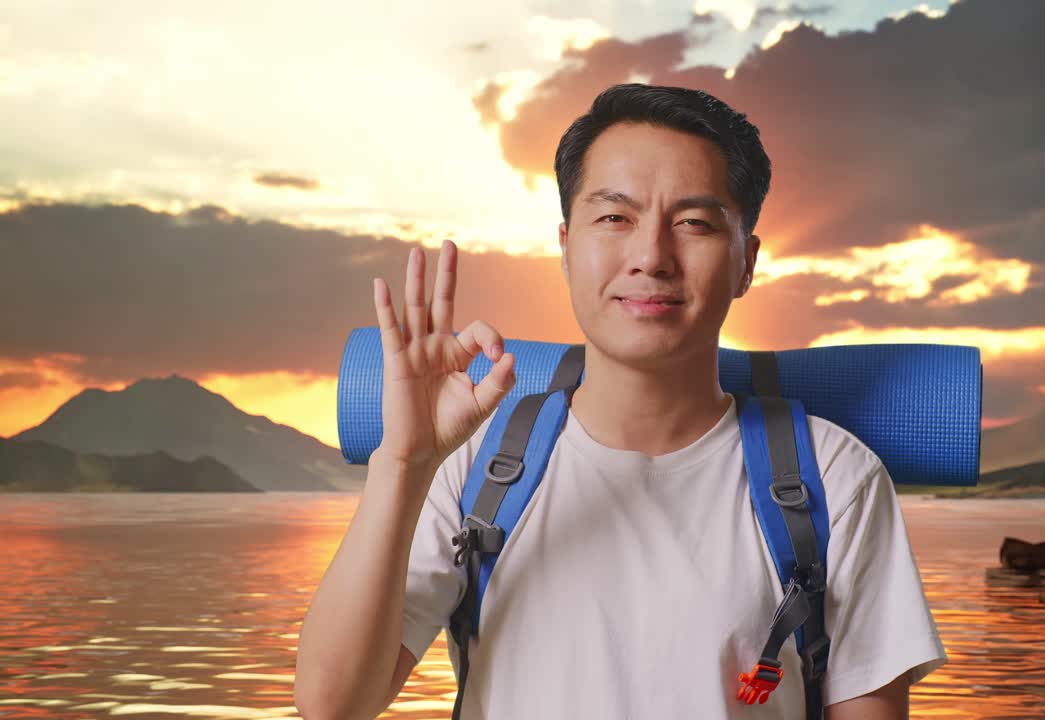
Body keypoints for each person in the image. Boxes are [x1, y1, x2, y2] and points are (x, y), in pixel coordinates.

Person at [294, 83, 947, 719]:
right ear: (566, 247)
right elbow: (333, 704)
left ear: (746, 262)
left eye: (693, 223)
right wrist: (404, 465)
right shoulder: (472, 467)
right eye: (614, 217)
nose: (651, 255)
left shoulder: (836, 479)